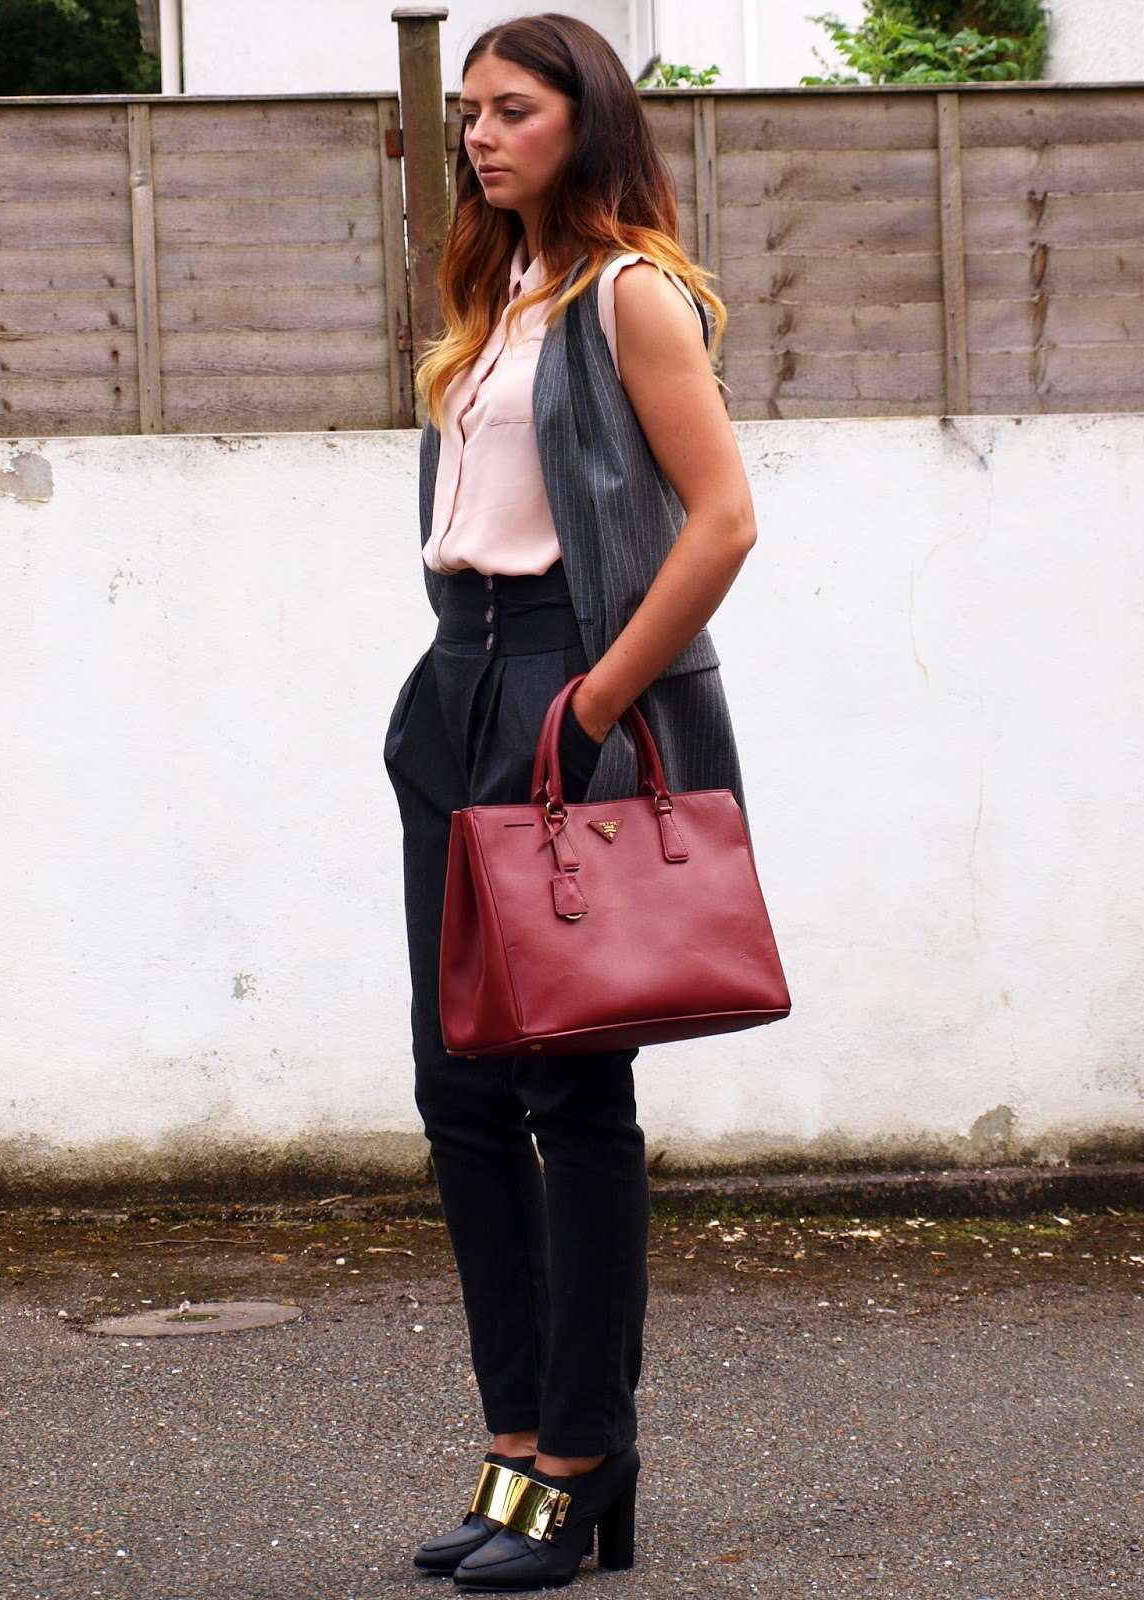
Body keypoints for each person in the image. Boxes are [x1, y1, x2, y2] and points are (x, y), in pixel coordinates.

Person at [384, 12, 757, 1591]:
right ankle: (521, 1440)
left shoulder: (629, 295)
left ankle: (589, 1452)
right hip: (455, 685)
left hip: (559, 681)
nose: (479, 135)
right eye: (469, 113)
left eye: (512, 110)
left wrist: (594, 703)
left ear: (584, 120)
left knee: (567, 1096)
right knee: (460, 1093)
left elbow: (724, 521)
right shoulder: (500, 294)